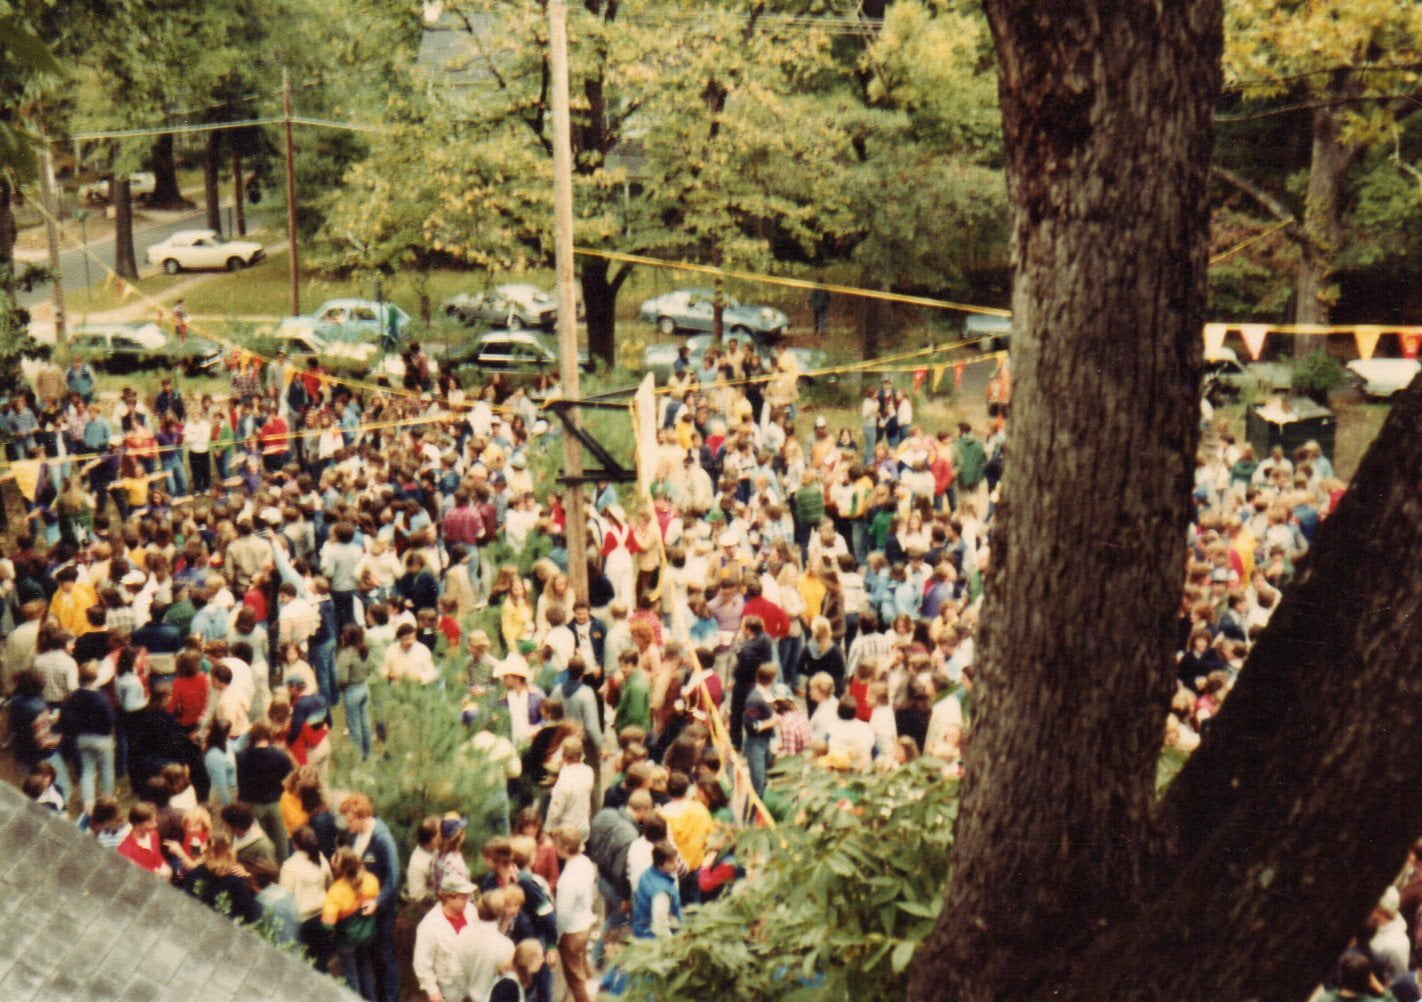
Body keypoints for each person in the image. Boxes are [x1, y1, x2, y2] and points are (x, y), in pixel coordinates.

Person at [339, 792, 402, 1002]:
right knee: (373, 956)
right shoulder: (353, 837)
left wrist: (378, 901)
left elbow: (394, 878)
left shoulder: (382, 839)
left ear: (361, 816)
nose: (347, 825)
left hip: (382, 909)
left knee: (385, 955)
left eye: (350, 821)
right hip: (363, 907)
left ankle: (391, 998)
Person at [322, 845, 382, 1000]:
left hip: (346, 941)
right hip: (366, 936)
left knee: (351, 977)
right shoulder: (371, 880)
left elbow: (327, 925)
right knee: (365, 972)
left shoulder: (336, 891)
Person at [413, 873, 480, 1002]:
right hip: (449, 990)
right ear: (449, 897)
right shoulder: (429, 926)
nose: (467, 899)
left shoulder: (471, 911)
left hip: (475, 984)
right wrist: (433, 992)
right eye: (463, 896)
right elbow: (422, 964)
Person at [551, 826, 598, 1002]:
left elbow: (563, 915)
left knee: (575, 980)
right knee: (582, 967)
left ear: (563, 848)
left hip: (571, 932)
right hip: (585, 923)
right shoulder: (585, 862)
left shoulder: (567, 881)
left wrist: (555, 938)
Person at [631, 840, 683, 939]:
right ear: (660, 864)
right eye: (671, 862)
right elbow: (660, 926)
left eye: (676, 860)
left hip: (641, 932)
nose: (677, 865)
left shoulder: (647, 874)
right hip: (653, 940)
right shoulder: (661, 893)